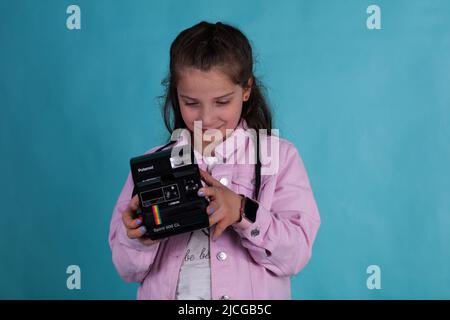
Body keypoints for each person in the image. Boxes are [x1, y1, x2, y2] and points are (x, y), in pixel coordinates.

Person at [109, 21, 321, 300]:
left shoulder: (278, 158)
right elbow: (127, 269)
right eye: (191, 103)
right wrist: (138, 238)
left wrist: (243, 211)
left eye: (222, 102)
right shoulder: (152, 165)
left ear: (246, 90)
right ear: (176, 95)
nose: (206, 118)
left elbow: (295, 255)